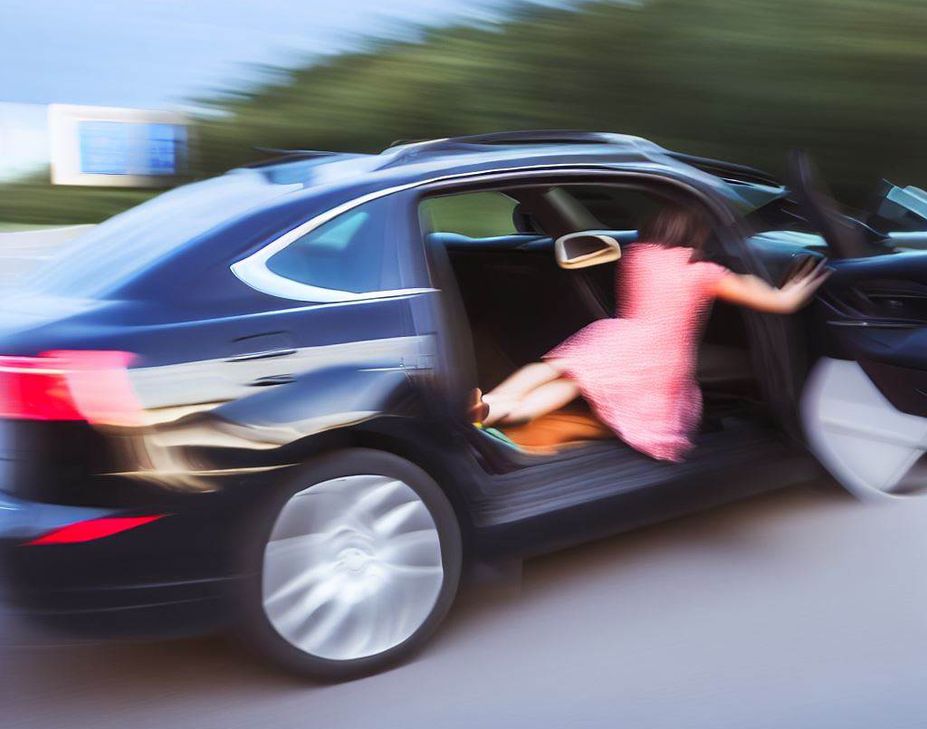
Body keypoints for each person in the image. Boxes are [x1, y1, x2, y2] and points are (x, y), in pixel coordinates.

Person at [471, 203, 829, 462]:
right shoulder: (702, 271)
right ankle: (509, 414)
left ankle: (492, 405)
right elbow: (777, 303)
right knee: (572, 384)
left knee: (557, 372)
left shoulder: (637, 255)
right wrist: (798, 285)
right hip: (659, 358)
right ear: (698, 234)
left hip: (619, 336)